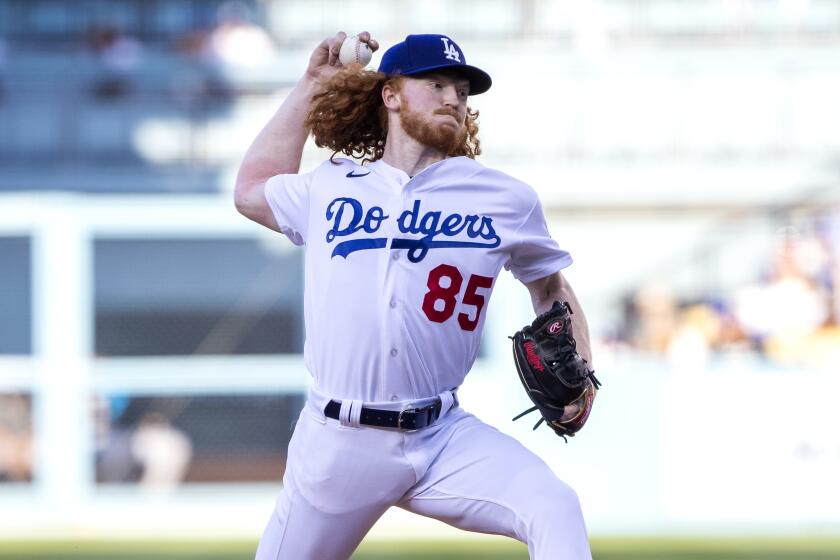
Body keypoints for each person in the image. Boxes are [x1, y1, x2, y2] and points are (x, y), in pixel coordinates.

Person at [234, 31, 594, 560]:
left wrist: (582, 372)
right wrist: (311, 84)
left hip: (442, 435)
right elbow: (250, 189)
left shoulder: (504, 198)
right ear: (391, 95)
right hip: (338, 442)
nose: (453, 98)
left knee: (553, 506)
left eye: (462, 90)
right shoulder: (332, 184)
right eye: (436, 83)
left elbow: (551, 288)